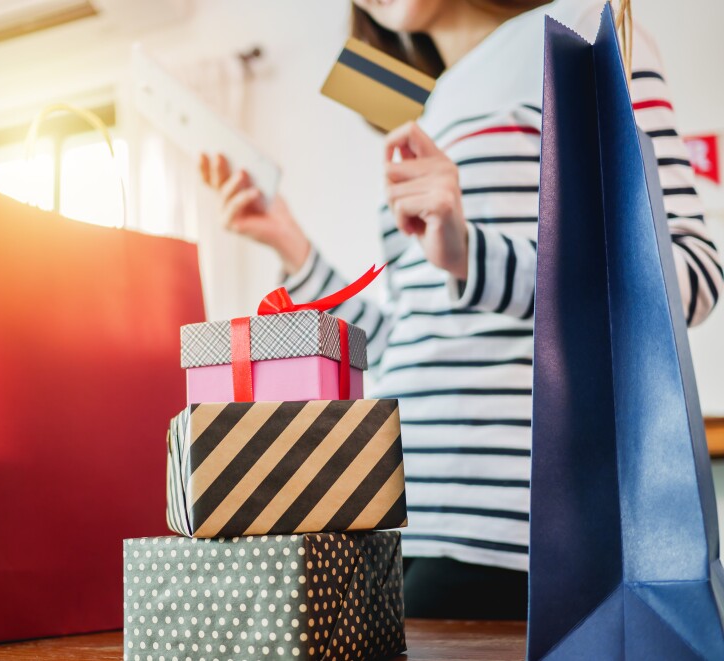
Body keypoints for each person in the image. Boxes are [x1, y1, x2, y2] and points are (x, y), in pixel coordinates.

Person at [199, 0, 723, 619]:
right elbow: (410, 335)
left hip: (513, 535)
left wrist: (472, 257)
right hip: (391, 518)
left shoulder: (580, 32)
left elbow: (687, 278)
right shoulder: (427, 105)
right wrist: (293, 246)